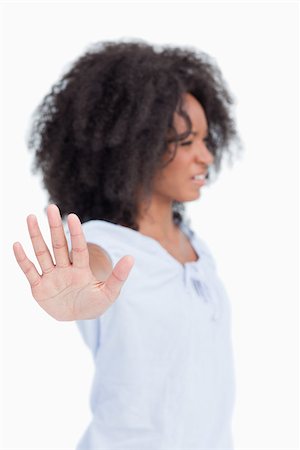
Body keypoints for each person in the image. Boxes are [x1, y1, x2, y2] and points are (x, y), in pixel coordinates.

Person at [13, 39, 243, 449]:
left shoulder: (192, 244)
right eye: (187, 143)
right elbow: (96, 264)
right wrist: (82, 283)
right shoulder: (105, 244)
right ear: (136, 147)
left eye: (207, 141)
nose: (206, 157)